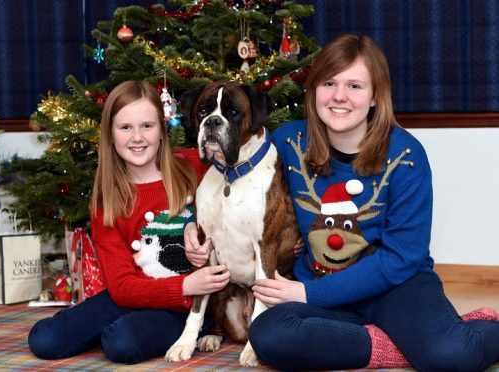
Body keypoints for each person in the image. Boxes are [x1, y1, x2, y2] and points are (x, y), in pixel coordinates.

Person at [186, 35, 499, 371]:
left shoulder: (407, 156)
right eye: (329, 83)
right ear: (314, 91)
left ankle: (454, 332)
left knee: (452, 356)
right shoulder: (288, 142)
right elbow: (233, 180)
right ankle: (392, 346)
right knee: (269, 335)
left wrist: (307, 296)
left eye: (355, 86)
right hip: (318, 282)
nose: (339, 96)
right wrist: (195, 223)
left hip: (394, 288)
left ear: (376, 96)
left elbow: (402, 258)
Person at [28, 80, 229, 364]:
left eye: (147, 126)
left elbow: (246, 196)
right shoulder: (107, 200)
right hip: (139, 292)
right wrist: (184, 286)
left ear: (162, 129)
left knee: (121, 341)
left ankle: (152, 328)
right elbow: (122, 287)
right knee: (45, 339)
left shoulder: (197, 166)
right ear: (110, 135)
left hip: (196, 306)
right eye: (125, 128)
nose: (137, 137)